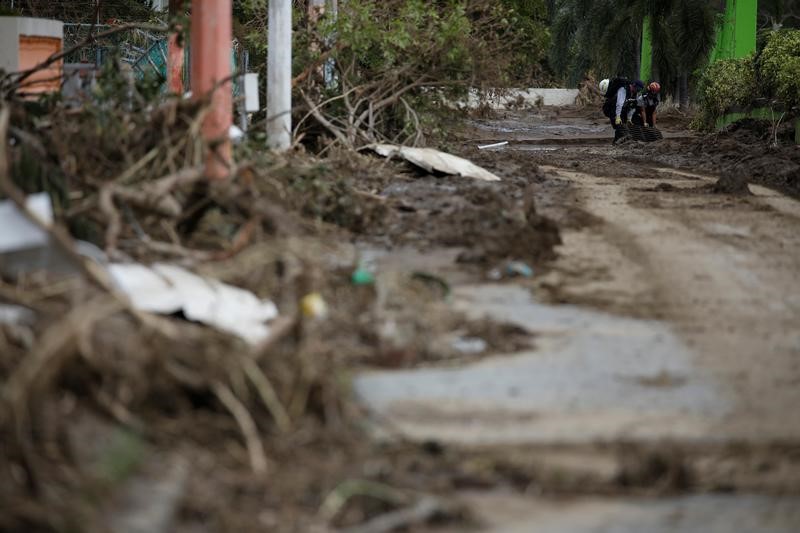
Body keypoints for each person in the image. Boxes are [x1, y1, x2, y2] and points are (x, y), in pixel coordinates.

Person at [600, 78, 644, 143]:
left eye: (639, 90)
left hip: (622, 110)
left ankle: (619, 141)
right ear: (633, 85)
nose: (638, 91)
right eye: (637, 89)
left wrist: (629, 118)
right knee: (619, 126)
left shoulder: (634, 94)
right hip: (612, 108)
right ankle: (616, 143)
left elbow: (632, 107)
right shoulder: (623, 89)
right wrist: (617, 117)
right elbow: (619, 104)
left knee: (627, 124)